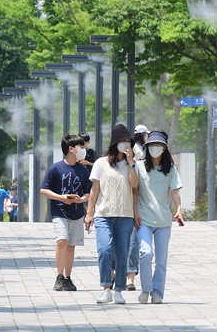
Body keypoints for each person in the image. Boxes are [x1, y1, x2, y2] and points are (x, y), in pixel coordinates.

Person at [85, 124, 138, 305]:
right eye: (122, 141)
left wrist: (131, 163)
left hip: (125, 215)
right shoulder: (100, 163)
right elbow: (94, 190)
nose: (126, 144)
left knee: (122, 253)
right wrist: (89, 212)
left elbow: (135, 186)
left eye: (128, 142)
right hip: (103, 214)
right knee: (104, 250)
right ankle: (106, 288)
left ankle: (119, 291)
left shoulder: (133, 164)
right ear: (115, 143)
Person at [135, 130, 183, 304]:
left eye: (158, 145)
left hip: (164, 220)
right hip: (144, 220)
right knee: (146, 253)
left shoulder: (171, 169)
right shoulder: (139, 167)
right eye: (152, 145)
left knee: (161, 260)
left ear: (164, 148)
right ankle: (146, 289)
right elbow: (134, 191)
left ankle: (158, 293)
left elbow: (175, 191)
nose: (155, 148)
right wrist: (134, 212)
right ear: (147, 148)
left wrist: (178, 209)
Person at [40, 134, 92, 291]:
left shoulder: (83, 170)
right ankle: (59, 276)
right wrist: (61, 198)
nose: (83, 149)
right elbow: (44, 189)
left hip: (77, 213)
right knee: (61, 241)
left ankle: (68, 277)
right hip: (59, 211)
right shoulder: (55, 168)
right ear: (71, 149)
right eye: (80, 147)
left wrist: (81, 199)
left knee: (71, 246)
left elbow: (89, 192)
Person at [126, 124, 149, 291]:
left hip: (139, 199)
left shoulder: (145, 149)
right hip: (130, 196)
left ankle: (130, 276)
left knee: (133, 242)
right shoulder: (135, 149)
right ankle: (120, 274)